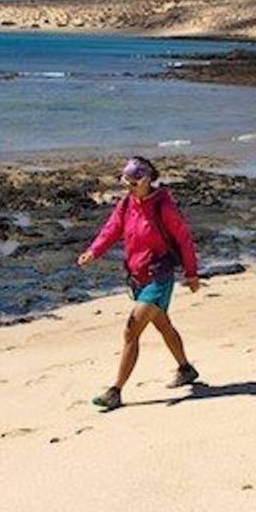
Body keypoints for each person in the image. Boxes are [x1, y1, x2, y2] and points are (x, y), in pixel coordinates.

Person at [77, 156, 200, 410]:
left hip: (160, 276)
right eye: (126, 182)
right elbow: (111, 229)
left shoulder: (163, 206)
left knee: (131, 331)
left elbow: (184, 238)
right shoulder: (127, 203)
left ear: (146, 180)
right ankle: (186, 369)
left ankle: (115, 391)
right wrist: (94, 251)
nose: (129, 187)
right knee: (163, 325)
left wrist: (192, 273)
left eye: (133, 183)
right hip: (138, 277)